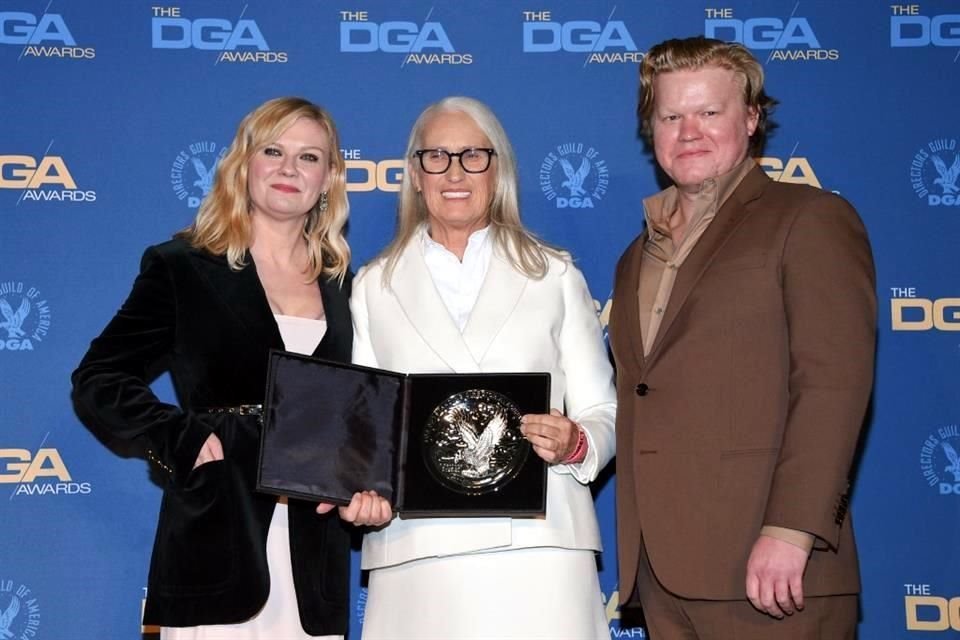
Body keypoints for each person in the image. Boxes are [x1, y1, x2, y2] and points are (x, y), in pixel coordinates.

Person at [71, 96, 386, 639]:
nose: (290, 168)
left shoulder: (347, 287)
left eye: (309, 157)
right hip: (217, 534)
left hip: (314, 562)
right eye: (274, 151)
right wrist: (179, 437)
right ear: (244, 164)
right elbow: (98, 378)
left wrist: (372, 485)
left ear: (329, 179)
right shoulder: (182, 267)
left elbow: (365, 412)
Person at [609, 36, 876, 639]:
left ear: (752, 118)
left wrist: (792, 530)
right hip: (663, 577)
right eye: (671, 116)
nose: (689, 132)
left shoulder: (809, 219)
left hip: (773, 573)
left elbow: (833, 386)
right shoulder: (635, 257)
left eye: (710, 112)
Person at [349, 96, 617, 639]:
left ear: (498, 170)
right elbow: (365, 434)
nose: (454, 173)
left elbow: (603, 410)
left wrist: (576, 442)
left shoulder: (555, 275)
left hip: (541, 547)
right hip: (416, 553)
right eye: (436, 156)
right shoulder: (373, 287)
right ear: (415, 174)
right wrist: (362, 489)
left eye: (473, 155)